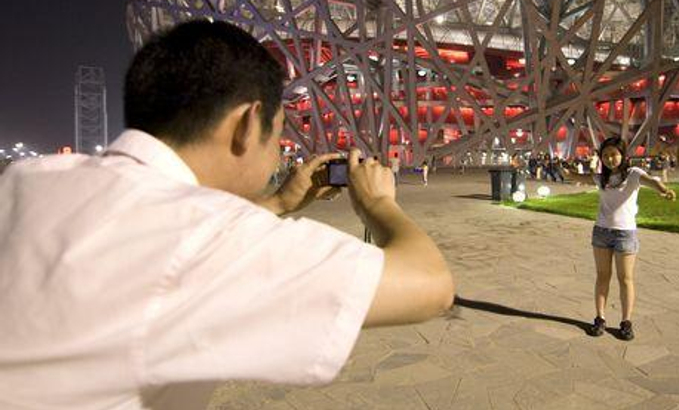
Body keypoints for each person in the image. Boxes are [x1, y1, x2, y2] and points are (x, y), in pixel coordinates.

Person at [0, 21, 454, 409]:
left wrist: (277, 203)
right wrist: (377, 202)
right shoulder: (204, 237)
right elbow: (430, 286)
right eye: (277, 136)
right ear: (246, 124)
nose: (277, 153)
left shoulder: (26, 180)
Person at [590, 137, 675, 341]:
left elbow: (652, 181)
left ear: (623, 155)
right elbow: (579, 177)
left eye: (614, 154)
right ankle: (600, 318)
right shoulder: (601, 178)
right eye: (606, 155)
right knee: (602, 277)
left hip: (625, 234)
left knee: (625, 279)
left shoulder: (633, 175)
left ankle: (626, 322)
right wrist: (566, 173)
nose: (610, 158)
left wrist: (664, 191)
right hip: (601, 232)